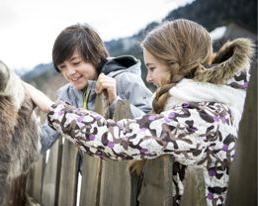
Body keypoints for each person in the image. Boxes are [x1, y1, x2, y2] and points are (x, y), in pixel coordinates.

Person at [29, 19, 254, 205]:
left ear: (177, 63)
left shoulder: (202, 118)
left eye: (153, 68)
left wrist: (51, 107)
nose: (147, 78)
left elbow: (116, 139)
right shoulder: (199, 108)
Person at [40, 23, 152, 152]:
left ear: (95, 57)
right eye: (62, 67)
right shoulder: (67, 95)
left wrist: (115, 101)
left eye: (76, 63)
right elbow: (45, 137)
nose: (69, 72)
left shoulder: (125, 80)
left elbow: (151, 126)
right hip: (87, 172)